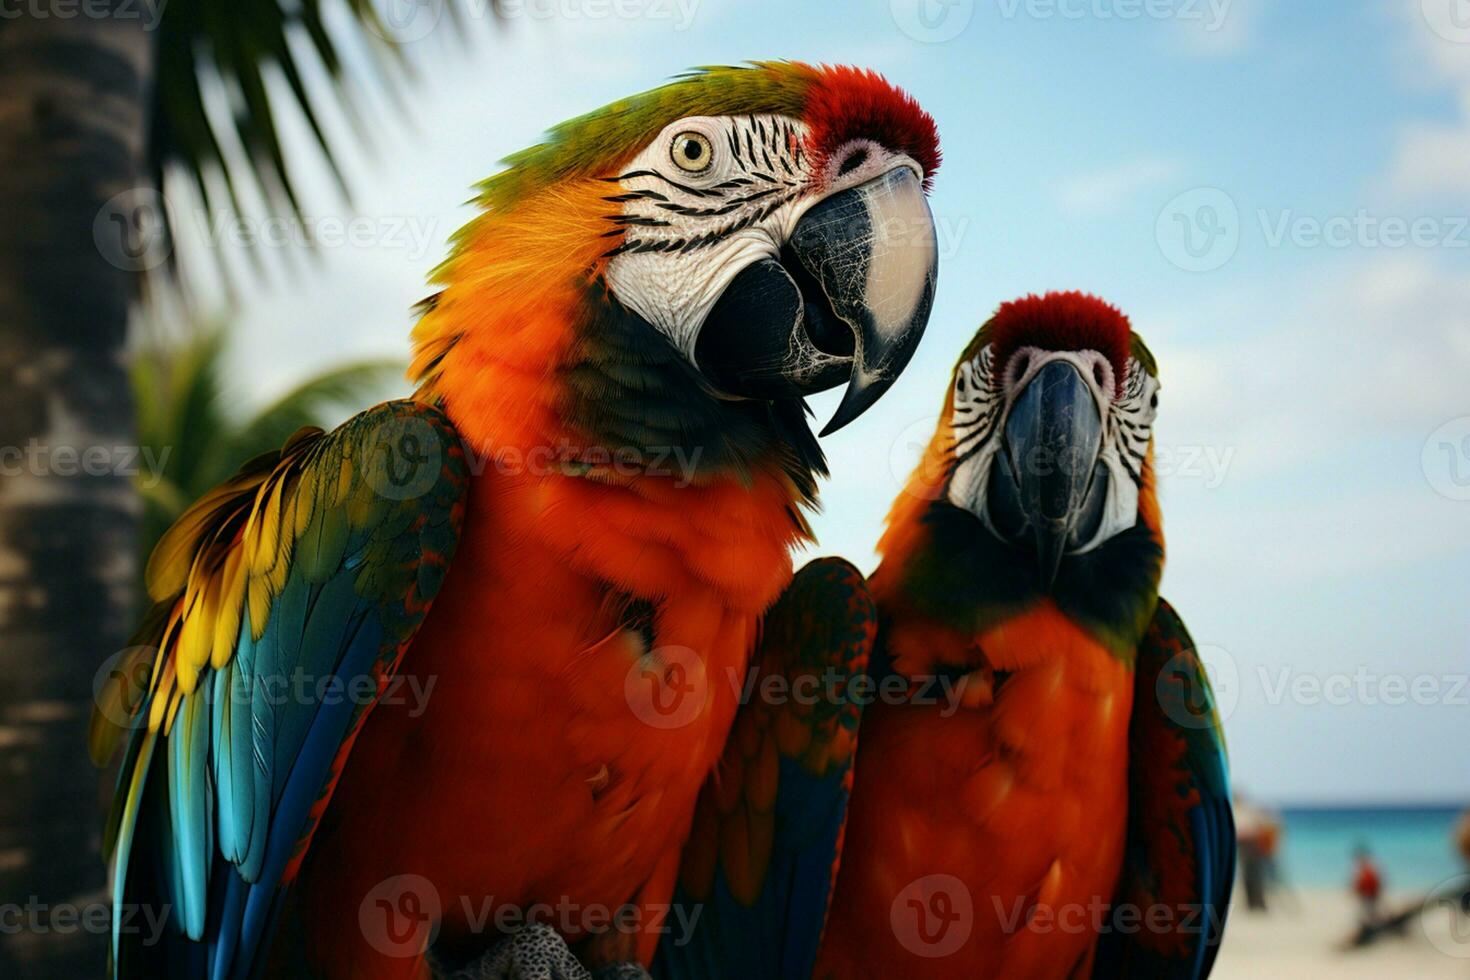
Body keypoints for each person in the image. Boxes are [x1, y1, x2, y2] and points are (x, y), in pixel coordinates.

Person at [1351, 844, 1383, 926]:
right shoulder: (1364, 870)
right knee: (1368, 911)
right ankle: (1370, 923)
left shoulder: (1368, 870)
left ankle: (1372, 924)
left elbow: (1375, 883)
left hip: (1370, 895)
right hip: (1368, 895)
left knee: (1370, 911)